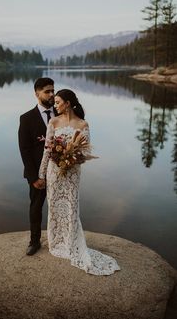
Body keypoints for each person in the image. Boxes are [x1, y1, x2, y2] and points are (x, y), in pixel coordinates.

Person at [39, 89, 120, 275]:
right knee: (54, 206)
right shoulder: (53, 121)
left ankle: (71, 242)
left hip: (72, 173)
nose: (55, 105)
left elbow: (84, 153)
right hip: (54, 171)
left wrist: (71, 157)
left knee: (70, 206)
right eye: (55, 102)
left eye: (58, 102)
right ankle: (57, 242)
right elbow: (47, 150)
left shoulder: (83, 124)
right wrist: (42, 174)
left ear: (67, 103)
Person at [18, 77, 55, 256]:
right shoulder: (26, 118)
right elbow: (24, 150)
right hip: (38, 174)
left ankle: (60, 240)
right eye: (47, 91)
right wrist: (34, 178)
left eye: (52, 91)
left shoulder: (62, 114)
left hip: (59, 171)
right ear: (37, 93)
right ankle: (34, 241)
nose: (51, 94)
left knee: (58, 206)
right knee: (36, 207)